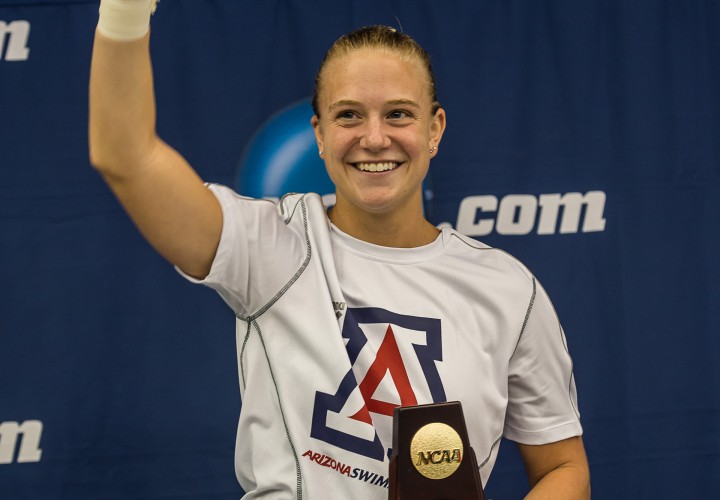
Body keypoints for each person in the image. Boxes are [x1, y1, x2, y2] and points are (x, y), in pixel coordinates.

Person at [89, 1, 590, 498]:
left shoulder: (506, 287)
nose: (374, 138)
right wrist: (125, 10)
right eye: (349, 115)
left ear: (434, 130)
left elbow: (563, 466)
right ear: (320, 135)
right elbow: (125, 156)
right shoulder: (269, 247)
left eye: (398, 114)